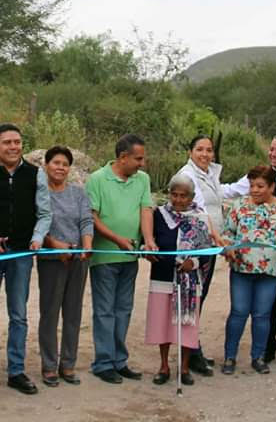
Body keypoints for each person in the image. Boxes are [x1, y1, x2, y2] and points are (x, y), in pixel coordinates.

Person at [0, 123, 52, 397]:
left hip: (21, 254)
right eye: (7, 142)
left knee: (19, 315)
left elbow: (44, 213)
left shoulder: (35, 174)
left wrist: (38, 238)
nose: (13, 147)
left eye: (17, 142)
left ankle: (16, 371)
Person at [219, 134, 276, 365]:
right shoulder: (246, 192)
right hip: (245, 264)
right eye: (271, 149)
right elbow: (229, 198)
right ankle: (256, 352)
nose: (274, 154)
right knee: (250, 310)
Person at [86, 133, 158, 384]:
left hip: (131, 257)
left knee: (124, 310)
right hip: (105, 256)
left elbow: (145, 209)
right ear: (123, 157)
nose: (142, 163)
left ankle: (119, 360)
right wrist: (117, 239)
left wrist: (148, 240)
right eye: (138, 158)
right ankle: (103, 362)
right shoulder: (96, 179)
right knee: (105, 311)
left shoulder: (142, 180)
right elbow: (91, 217)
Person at [147, 173, 217, 387]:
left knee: (187, 324)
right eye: (174, 195)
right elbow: (147, 240)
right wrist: (147, 251)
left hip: (189, 280)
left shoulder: (200, 218)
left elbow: (207, 251)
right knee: (162, 322)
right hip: (162, 276)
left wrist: (192, 264)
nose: (178, 200)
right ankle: (164, 366)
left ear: (191, 197)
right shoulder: (158, 215)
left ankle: (185, 367)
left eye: (183, 196)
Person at [37, 145, 94, 387]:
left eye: (64, 164)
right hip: (52, 260)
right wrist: (55, 245)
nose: (60, 168)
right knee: (50, 313)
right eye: (56, 163)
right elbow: (39, 224)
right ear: (46, 165)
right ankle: (49, 365)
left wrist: (86, 246)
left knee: (73, 313)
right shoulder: (40, 195)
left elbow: (86, 220)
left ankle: (68, 363)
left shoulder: (78, 193)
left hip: (78, 260)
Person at [177, 135, 224, 376]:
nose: (205, 154)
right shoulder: (188, 175)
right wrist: (216, 235)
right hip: (194, 246)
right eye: (199, 149)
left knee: (199, 298)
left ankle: (192, 347)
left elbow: (221, 197)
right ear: (190, 151)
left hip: (209, 246)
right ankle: (190, 352)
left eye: (209, 150)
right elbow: (200, 209)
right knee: (192, 298)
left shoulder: (210, 174)